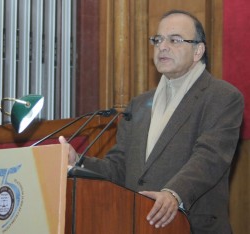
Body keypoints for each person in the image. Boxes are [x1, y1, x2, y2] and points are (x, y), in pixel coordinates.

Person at [59, 9, 244, 234]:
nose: (162, 46)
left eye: (174, 40)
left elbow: (209, 158)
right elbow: (119, 168)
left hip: (191, 226)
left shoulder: (221, 96)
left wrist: (174, 194)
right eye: (158, 40)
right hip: (136, 224)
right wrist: (78, 162)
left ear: (198, 50)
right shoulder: (139, 105)